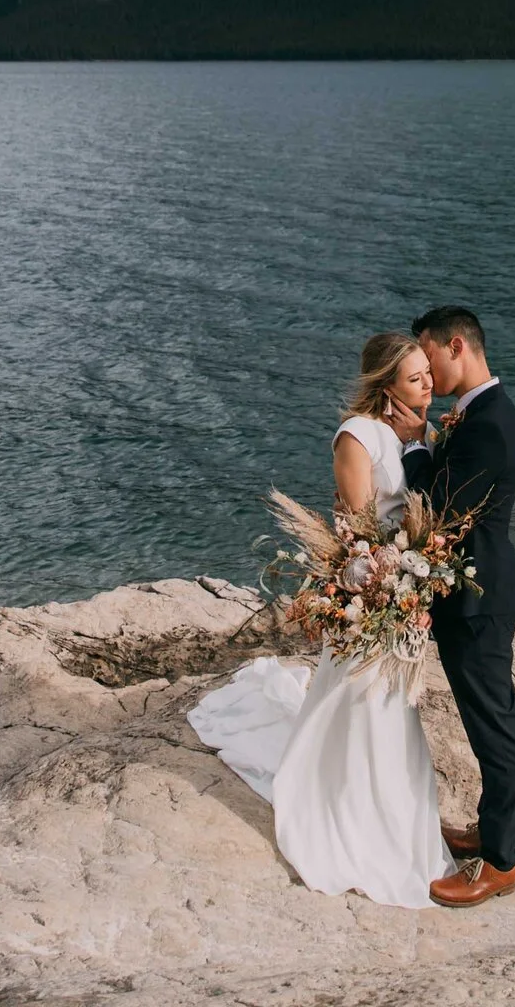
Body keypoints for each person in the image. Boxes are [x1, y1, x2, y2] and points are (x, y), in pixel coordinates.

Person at [186, 333, 457, 908]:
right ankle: (347, 809)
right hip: (375, 589)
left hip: (405, 592)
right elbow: (358, 530)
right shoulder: (357, 438)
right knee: (367, 702)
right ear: (385, 386)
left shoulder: (418, 434)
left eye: (427, 374)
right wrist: (393, 577)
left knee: (392, 709)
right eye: (415, 379)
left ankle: (395, 812)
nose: (428, 384)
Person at [404, 304, 515, 908]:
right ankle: (491, 831)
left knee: (495, 726)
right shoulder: (481, 414)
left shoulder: (486, 425)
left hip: (478, 596)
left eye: (426, 356)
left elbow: (440, 504)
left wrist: (411, 447)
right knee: (490, 722)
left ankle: (501, 861)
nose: (423, 372)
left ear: (457, 346)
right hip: (473, 591)